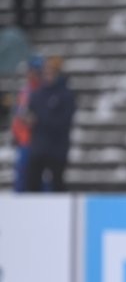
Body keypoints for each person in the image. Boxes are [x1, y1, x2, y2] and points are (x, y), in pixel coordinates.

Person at [25, 56, 76, 192]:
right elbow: (30, 113)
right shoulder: (37, 94)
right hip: (38, 147)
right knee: (32, 184)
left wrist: (40, 119)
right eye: (45, 72)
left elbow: (64, 121)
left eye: (51, 71)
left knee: (57, 184)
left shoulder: (65, 95)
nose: (47, 75)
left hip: (57, 148)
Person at [10, 55, 43, 192]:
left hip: (36, 142)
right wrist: (15, 133)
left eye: (33, 71)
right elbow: (18, 113)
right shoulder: (25, 90)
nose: (30, 74)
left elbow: (41, 116)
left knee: (37, 180)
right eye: (29, 71)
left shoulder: (41, 91)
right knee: (21, 179)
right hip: (23, 141)